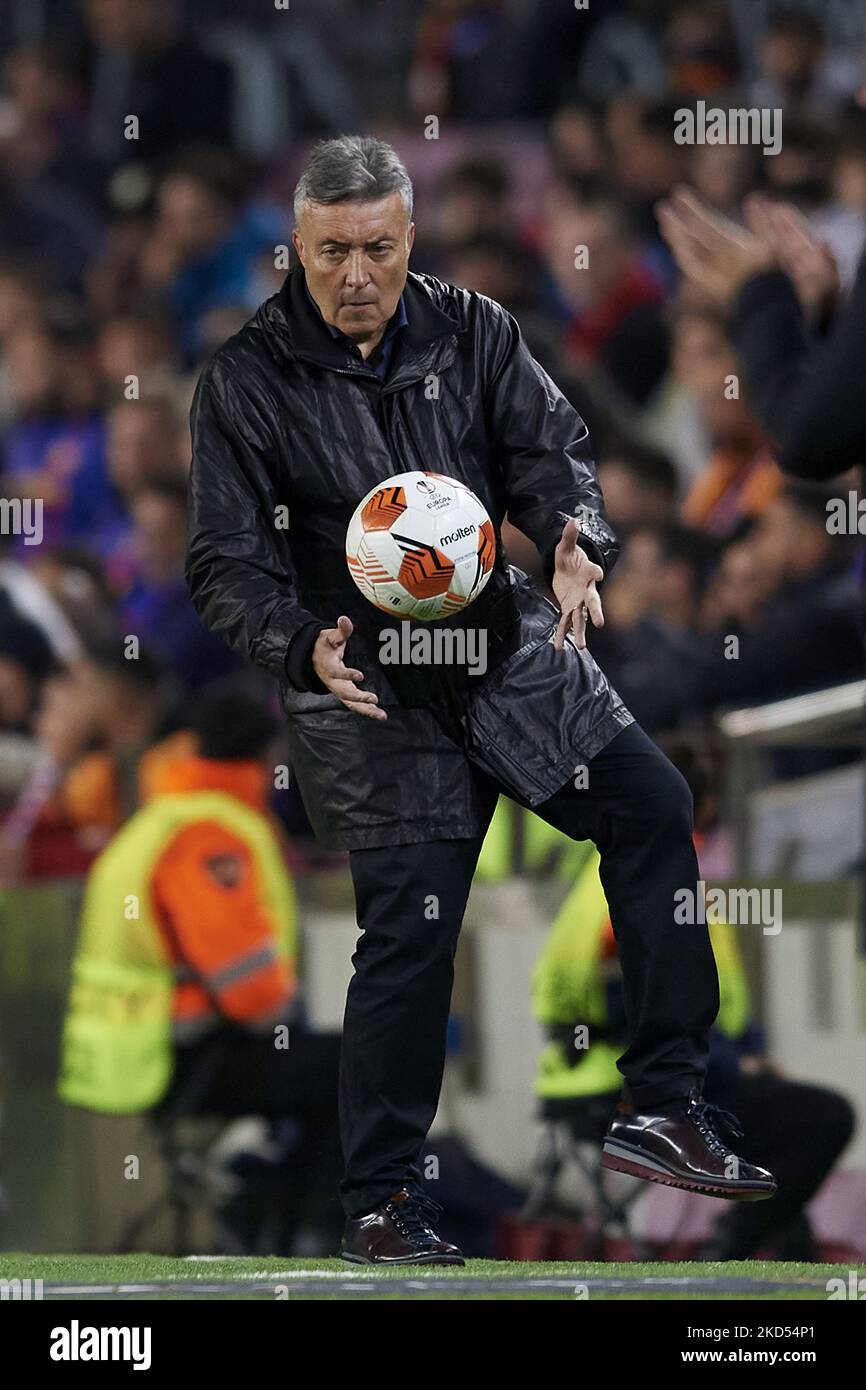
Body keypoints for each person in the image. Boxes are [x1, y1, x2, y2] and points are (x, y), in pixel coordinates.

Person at [186, 135, 776, 1267]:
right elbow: (221, 563)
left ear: (408, 239)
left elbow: (551, 453)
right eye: (328, 252)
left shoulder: (477, 328)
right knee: (408, 937)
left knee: (653, 807)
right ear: (293, 250)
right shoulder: (246, 380)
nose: (354, 273)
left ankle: (663, 1102)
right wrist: (300, 644)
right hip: (363, 688)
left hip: (501, 646)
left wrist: (573, 541)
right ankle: (381, 1203)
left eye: (375, 248)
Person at [527, 740, 855, 1261]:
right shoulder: (651, 883)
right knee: (825, 1119)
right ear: (700, 807)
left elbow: (695, 997)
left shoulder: (611, 872)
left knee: (794, 1116)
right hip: (625, 1089)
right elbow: (640, 1015)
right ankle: (731, 1252)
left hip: (585, 1078)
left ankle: (761, 1252)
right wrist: (732, 1063)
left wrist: (745, 1054)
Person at [58, 685, 342, 1251]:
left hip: (134, 1053)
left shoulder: (157, 822)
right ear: (265, 758)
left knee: (322, 1069)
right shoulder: (212, 834)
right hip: (189, 1057)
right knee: (356, 1068)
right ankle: (317, 1233)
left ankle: (274, 1212)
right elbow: (246, 987)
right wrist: (289, 1016)